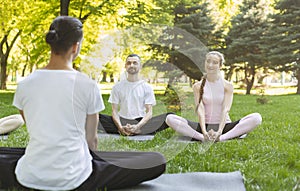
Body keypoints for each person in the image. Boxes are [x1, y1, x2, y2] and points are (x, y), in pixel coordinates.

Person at [0, 16, 165, 191]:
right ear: (75, 46)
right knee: (156, 160)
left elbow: (34, 129)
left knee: (22, 152)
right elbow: (91, 142)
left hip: (29, 175)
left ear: (51, 43)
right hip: (78, 177)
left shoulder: (25, 84)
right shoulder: (87, 85)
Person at [165, 51, 262, 142]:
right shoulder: (197, 86)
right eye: (208, 61)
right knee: (170, 118)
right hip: (204, 126)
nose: (210, 65)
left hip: (224, 126)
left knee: (256, 118)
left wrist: (219, 131)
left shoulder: (227, 86)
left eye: (215, 62)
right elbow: (200, 110)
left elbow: (225, 109)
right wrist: (203, 131)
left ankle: (221, 138)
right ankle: (202, 138)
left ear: (220, 66)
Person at [98, 54, 172, 135]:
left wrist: (137, 126)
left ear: (140, 66)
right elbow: (114, 111)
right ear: (125, 66)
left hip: (141, 122)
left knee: (169, 116)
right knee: (93, 116)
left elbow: (149, 113)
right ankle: (126, 130)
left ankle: (137, 130)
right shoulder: (117, 87)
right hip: (121, 121)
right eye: (129, 63)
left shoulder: (147, 87)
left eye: (135, 63)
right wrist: (120, 127)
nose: (131, 65)